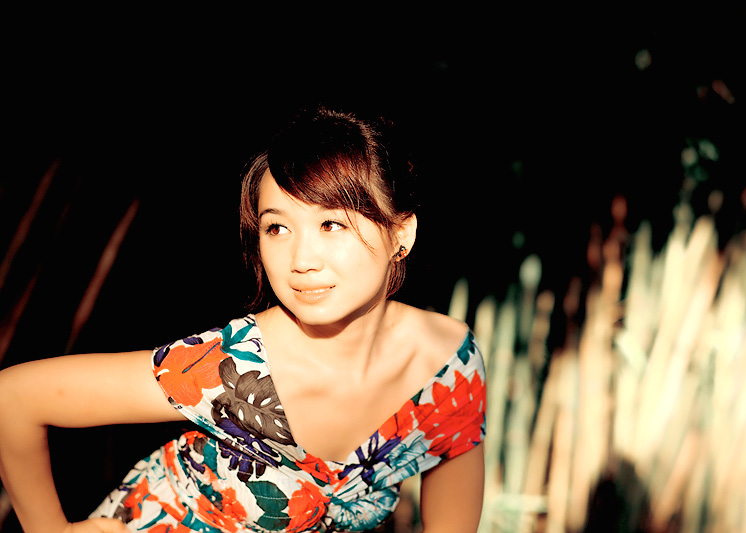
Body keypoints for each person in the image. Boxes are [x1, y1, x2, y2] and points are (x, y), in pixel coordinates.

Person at [0, 106, 487, 533]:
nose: (301, 260)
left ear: (402, 234)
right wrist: (50, 529)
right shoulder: (231, 365)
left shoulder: (448, 370)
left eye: (331, 223)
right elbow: (12, 399)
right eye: (277, 228)